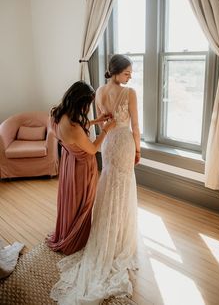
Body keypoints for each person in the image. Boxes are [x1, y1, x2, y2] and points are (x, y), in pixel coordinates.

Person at [50, 54, 141, 305]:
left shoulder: (94, 93)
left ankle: (102, 228)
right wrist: (138, 148)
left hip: (109, 144)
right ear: (115, 72)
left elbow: (86, 127)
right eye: (127, 73)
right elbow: (134, 125)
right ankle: (117, 235)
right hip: (119, 141)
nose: (130, 76)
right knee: (121, 186)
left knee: (110, 183)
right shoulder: (130, 94)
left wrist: (100, 123)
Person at [46, 81, 116, 255]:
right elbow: (92, 149)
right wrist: (106, 129)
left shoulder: (55, 113)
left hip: (69, 161)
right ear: (80, 104)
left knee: (71, 198)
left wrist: (96, 121)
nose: (88, 108)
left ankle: (67, 228)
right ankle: (76, 237)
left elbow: (73, 132)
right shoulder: (74, 128)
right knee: (84, 201)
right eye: (87, 105)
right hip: (83, 166)